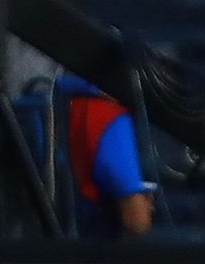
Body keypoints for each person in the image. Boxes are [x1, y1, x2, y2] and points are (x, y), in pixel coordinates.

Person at [60, 76, 155, 239]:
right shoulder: (111, 121)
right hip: (81, 237)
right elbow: (137, 222)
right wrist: (146, 205)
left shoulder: (72, 98)